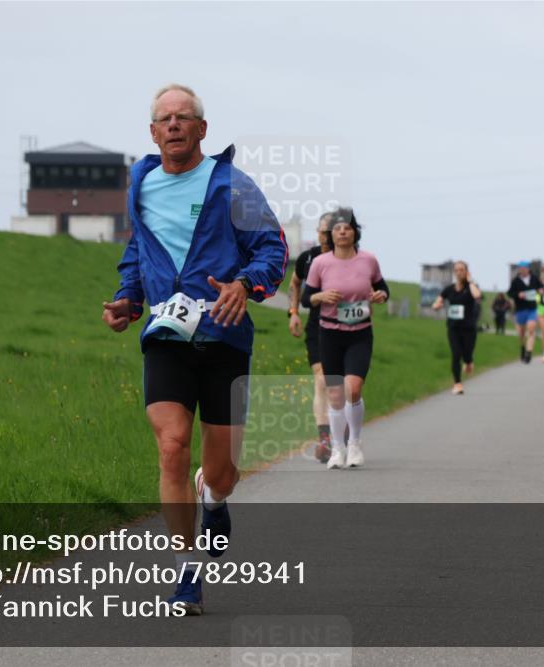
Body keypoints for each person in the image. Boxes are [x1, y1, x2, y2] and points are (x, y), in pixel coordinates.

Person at [102, 84, 287, 615]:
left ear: (202, 130)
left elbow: (272, 248)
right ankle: (187, 572)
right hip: (166, 337)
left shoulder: (232, 184)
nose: (175, 125)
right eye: (165, 118)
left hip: (224, 337)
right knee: (171, 445)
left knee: (223, 471)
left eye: (185, 117)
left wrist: (244, 286)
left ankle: (215, 495)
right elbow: (138, 250)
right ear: (153, 132)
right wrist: (127, 300)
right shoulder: (141, 184)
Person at [302, 208, 388, 469]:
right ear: (331, 234)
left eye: (347, 228)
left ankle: (355, 443)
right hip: (329, 333)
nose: (342, 232)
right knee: (335, 393)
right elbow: (307, 297)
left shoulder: (368, 260)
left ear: (355, 233)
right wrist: (321, 297)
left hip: (360, 333)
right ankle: (337, 449)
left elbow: (383, 288)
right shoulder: (320, 263)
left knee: (353, 388)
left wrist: (380, 296)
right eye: (338, 228)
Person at [288, 214, 334, 463]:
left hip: (345, 329)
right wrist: (293, 313)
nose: (324, 236)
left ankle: (344, 426)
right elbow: (295, 284)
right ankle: (324, 437)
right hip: (316, 326)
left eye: (330, 231)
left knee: (345, 386)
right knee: (321, 380)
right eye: (322, 231)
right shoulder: (308, 258)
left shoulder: (348, 257)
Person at [432, 261, 481, 394]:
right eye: (457, 270)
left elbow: (477, 296)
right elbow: (439, 300)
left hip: (469, 328)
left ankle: (469, 361)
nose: (459, 272)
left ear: (466, 272)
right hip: (453, 328)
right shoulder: (449, 289)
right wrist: (437, 304)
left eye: (461, 270)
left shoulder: (471, 287)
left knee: (467, 355)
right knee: (456, 354)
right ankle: (457, 383)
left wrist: (470, 281)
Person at [507, 260, 539, 364]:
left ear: (528, 269)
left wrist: (541, 291)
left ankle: (529, 353)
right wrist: (518, 295)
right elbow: (510, 293)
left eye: (524, 268)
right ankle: (523, 348)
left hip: (532, 309)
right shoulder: (516, 281)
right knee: (521, 333)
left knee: (530, 330)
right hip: (520, 309)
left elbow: (540, 287)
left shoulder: (534, 279)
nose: (523, 270)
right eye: (521, 268)